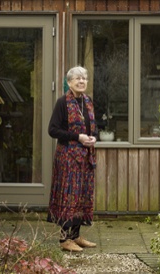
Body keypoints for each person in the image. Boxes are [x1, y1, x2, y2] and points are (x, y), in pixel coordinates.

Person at [47, 66, 98, 252]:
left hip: (85, 157)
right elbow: (53, 130)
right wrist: (78, 137)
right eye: (77, 78)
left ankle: (75, 236)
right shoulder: (62, 102)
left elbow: (94, 126)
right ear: (69, 82)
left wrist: (93, 137)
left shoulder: (88, 101)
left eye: (84, 78)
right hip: (67, 157)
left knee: (82, 196)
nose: (82, 81)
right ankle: (64, 240)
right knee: (68, 197)